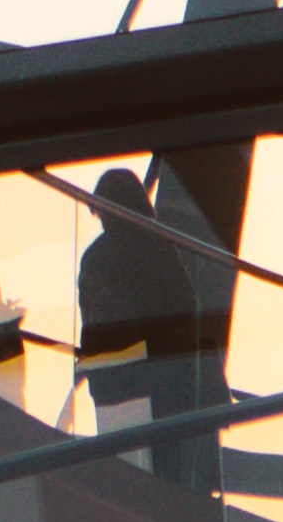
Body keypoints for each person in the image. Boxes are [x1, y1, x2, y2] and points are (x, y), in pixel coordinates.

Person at [73, 167, 211, 462]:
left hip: (119, 382)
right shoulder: (162, 248)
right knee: (171, 463)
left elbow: (94, 323)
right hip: (171, 379)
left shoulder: (98, 256)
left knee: (127, 464)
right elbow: (186, 310)